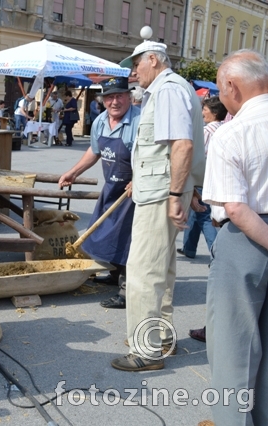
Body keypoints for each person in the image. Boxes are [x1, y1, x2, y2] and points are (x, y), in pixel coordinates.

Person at [110, 40, 206, 372]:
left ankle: (146, 350)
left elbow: (182, 144)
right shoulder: (174, 89)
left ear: (154, 59)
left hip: (160, 192)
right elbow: (179, 149)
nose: (133, 72)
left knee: (142, 273)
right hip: (163, 189)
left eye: (137, 64)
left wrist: (177, 194)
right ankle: (161, 340)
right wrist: (185, 190)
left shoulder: (167, 90)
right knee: (161, 270)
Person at [201, 50, 268, 425]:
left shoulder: (232, 132)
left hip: (247, 241)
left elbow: (238, 210)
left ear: (231, 86)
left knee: (233, 353)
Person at [59, 77, 139, 310]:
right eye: (110, 97)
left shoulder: (141, 120)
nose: (115, 101)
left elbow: (153, 155)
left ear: (129, 97)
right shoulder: (101, 121)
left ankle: (127, 291)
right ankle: (115, 275)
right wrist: (73, 172)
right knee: (107, 232)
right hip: (112, 186)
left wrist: (139, 179)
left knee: (127, 238)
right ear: (103, 100)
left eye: (120, 96)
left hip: (133, 191)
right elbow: (95, 151)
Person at [178, 96, 228, 259]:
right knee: (197, 213)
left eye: (205, 109)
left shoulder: (207, 131)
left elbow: (196, 154)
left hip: (204, 177)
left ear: (213, 113)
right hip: (218, 177)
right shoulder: (225, 128)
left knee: (204, 215)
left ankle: (217, 256)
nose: (202, 113)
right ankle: (189, 248)